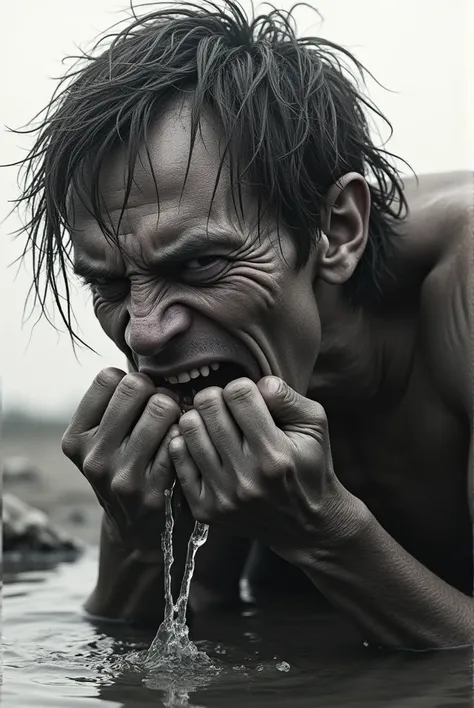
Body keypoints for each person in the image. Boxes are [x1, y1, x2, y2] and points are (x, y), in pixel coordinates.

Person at [12, 1, 473, 650]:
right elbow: (139, 642)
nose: (144, 333)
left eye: (199, 263)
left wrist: (324, 533)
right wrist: (138, 539)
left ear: (338, 229)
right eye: (110, 283)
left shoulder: (462, 288)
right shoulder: (236, 365)